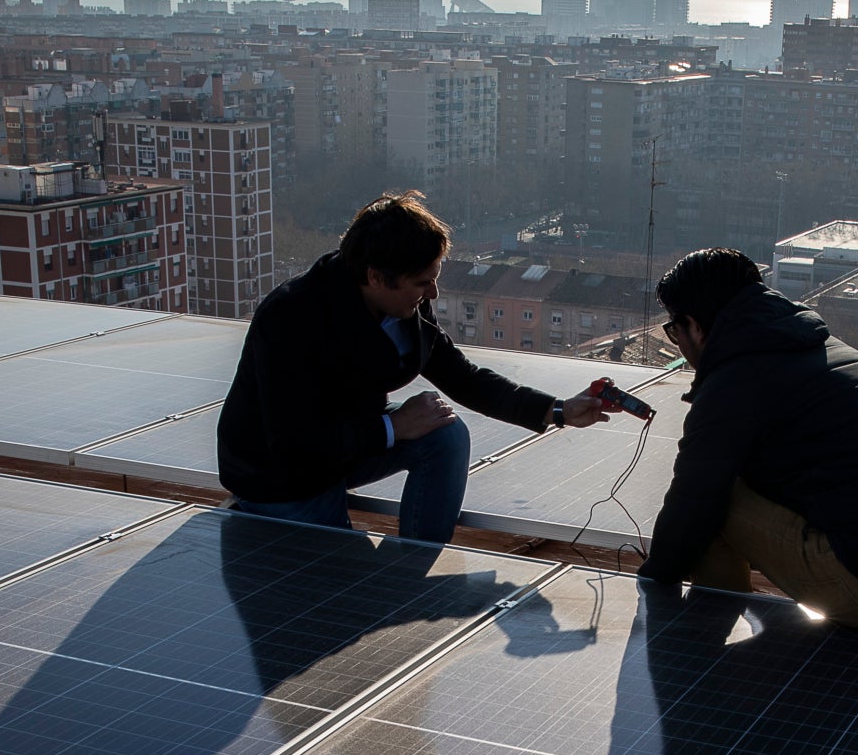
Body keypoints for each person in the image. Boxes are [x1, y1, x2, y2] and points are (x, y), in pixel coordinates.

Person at [217, 192, 607, 544]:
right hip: (282, 473)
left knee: (446, 434)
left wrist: (558, 410)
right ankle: (261, 518)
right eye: (423, 283)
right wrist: (394, 427)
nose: (432, 294)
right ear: (374, 277)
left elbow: (462, 375)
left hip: (349, 441)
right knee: (339, 593)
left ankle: (414, 562)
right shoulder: (291, 318)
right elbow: (293, 445)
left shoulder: (402, 302)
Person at [640, 248, 858, 629]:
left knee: (715, 498)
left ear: (695, 326)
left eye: (674, 331)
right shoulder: (818, 345)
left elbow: (693, 500)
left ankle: (701, 639)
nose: (678, 344)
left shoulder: (734, 380)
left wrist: (652, 587)